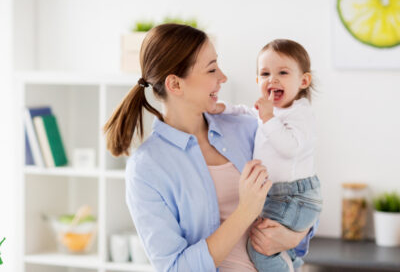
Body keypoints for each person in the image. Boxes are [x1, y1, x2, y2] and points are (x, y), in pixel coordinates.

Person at [103, 24, 314, 272]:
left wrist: (294, 237)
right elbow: (175, 268)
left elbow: (303, 191)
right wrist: (245, 212)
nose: (223, 77)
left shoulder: (247, 127)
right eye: (212, 69)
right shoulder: (147, 167)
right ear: (175, 85)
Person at [212, 39, 322, 271]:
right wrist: (223, 108)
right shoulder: (273, 111)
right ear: (257, 81)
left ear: (303, 80)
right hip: (280, 195)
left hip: (294, 195)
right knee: (275, 246)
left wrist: (269, 118)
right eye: (264, 74)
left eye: (282, 72)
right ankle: (292, 264)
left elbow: (290, 146)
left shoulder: (300, 113)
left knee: (260, 248)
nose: (272, 79)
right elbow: (247, 112)